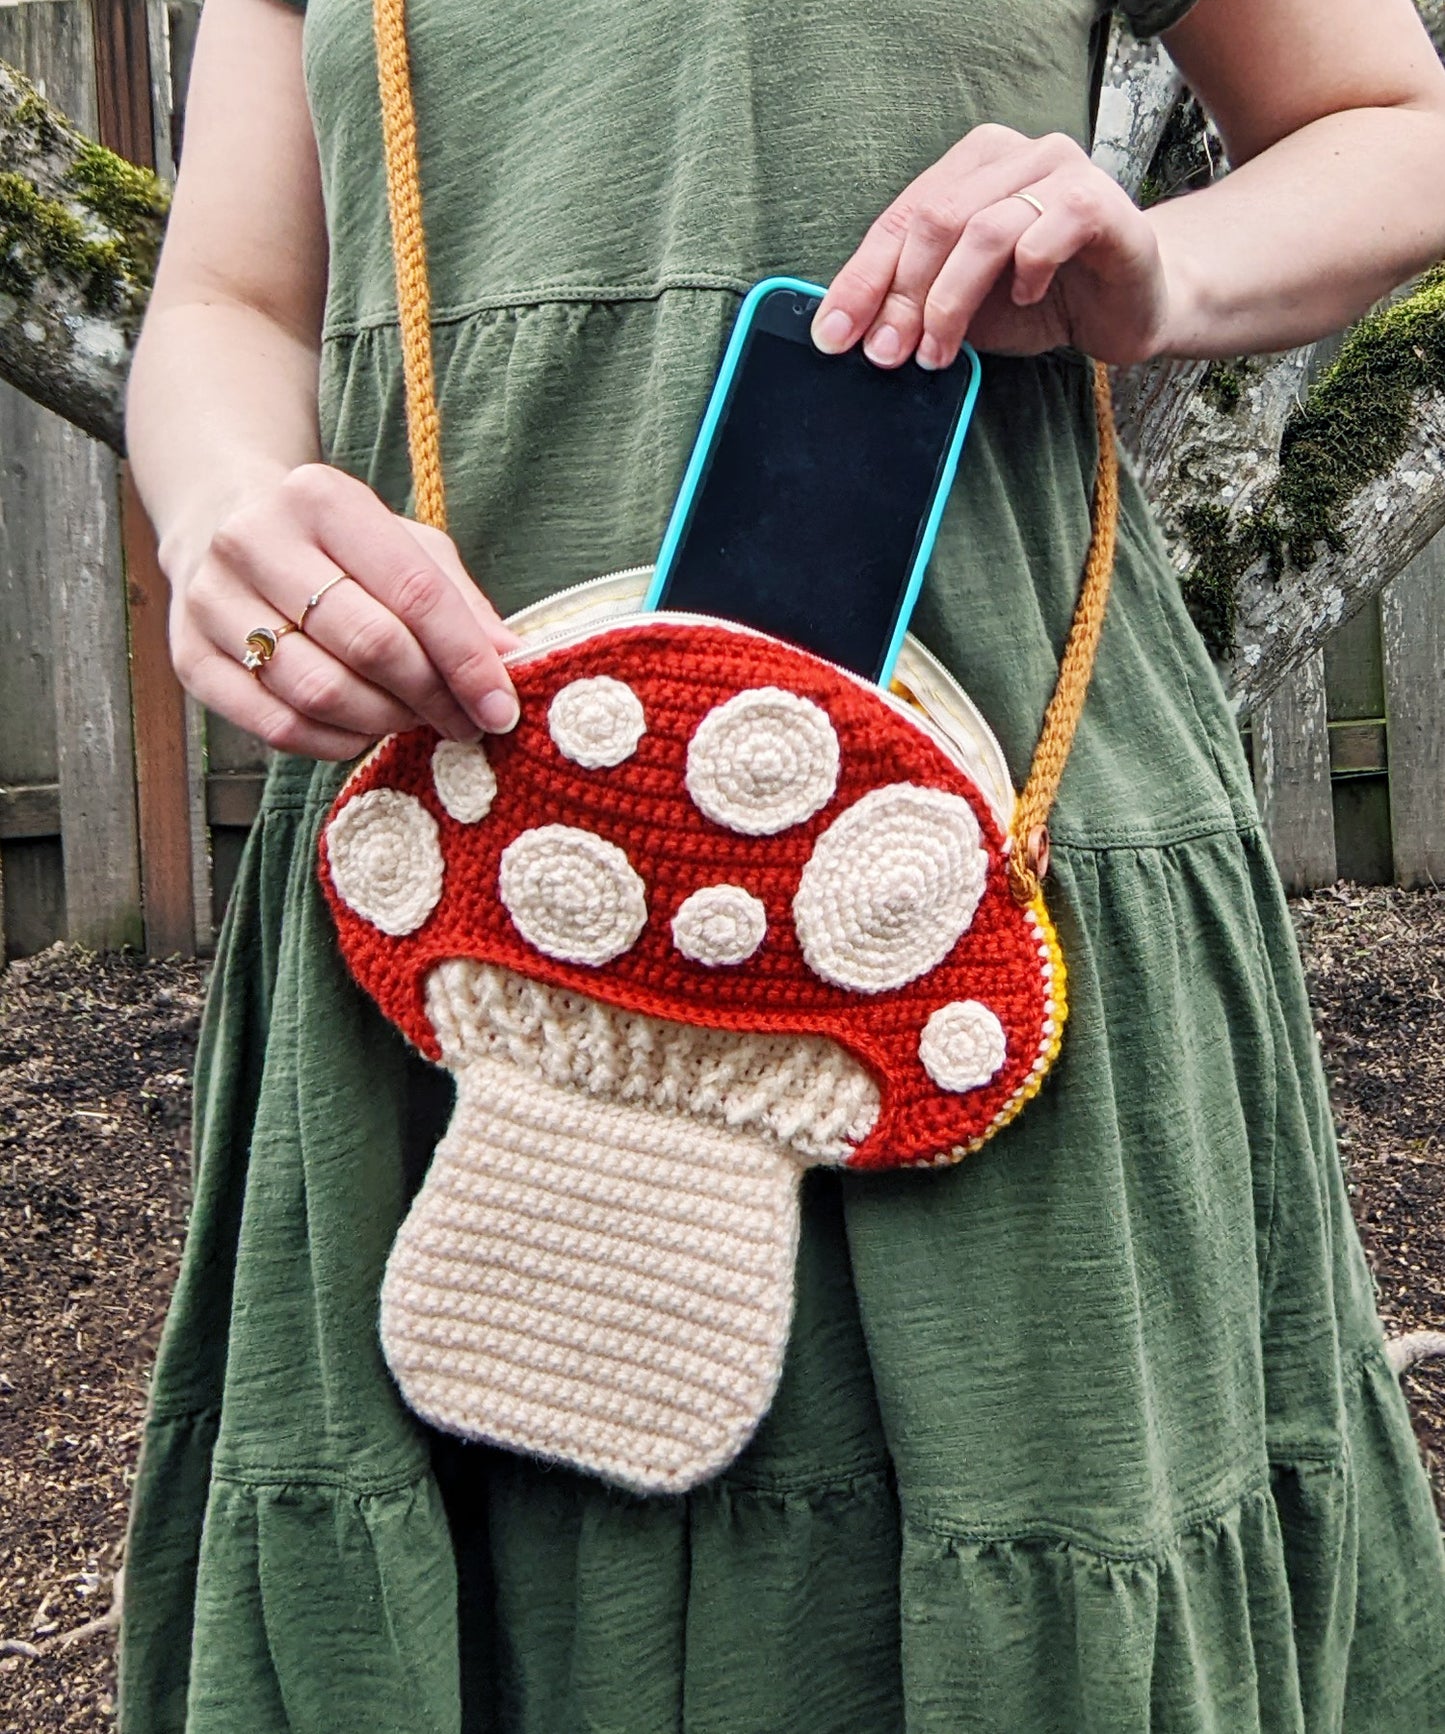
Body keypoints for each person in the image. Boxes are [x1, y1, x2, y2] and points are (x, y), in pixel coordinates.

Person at [119, 0, 1445, 1726]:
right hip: (459, 852)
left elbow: (1389, 119)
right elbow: (230, 296)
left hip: (972, 868)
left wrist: (1159, 277)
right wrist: (225, 505)